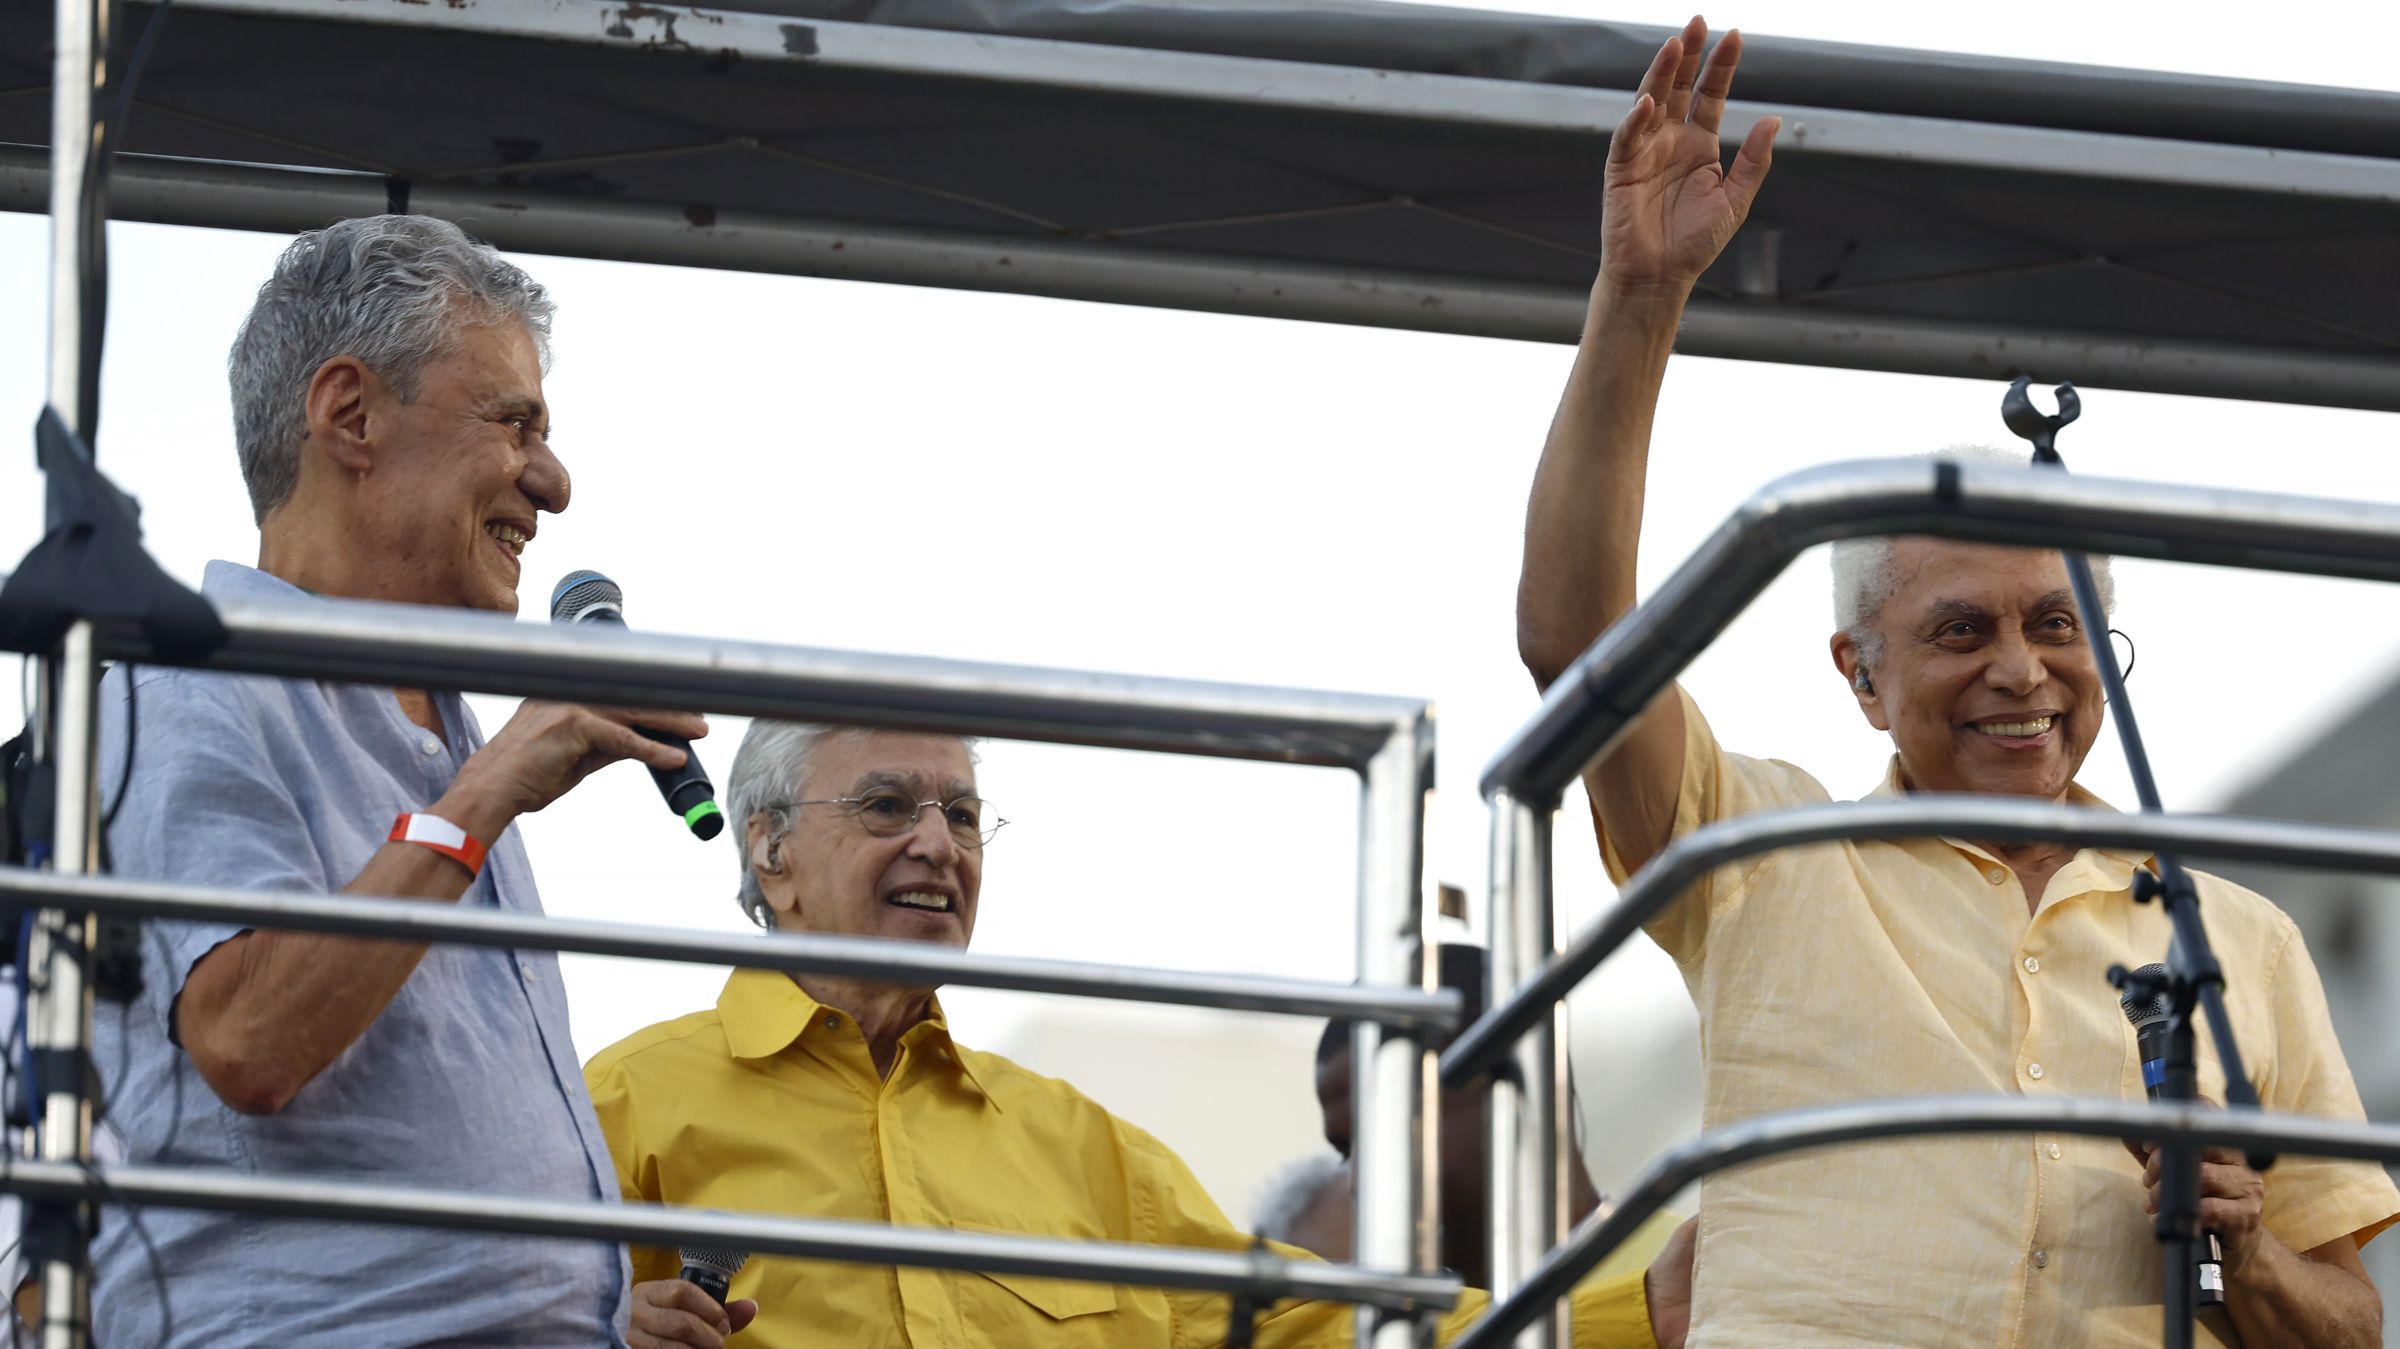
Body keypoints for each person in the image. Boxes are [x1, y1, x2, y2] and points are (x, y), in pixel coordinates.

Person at [1518, 17, 2399, 1347]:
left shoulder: (2242, 939)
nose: (2020, 666)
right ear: (1861, 675)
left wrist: (2248, 1248)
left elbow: (2349, 1324)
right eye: (1959, 629)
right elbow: (1577, 642)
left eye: (2055, 622)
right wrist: (1639, 297)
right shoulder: (1763, 853)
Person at [91, 214, 731, 1347]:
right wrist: (485, 795)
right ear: (350, 414)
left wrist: (592, 1310)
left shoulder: (450, 726)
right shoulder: (186, 680)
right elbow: (246, 1036)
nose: (555, 481)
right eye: (513, 422)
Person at [586, 721, 1680, 1348]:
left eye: (961, 814)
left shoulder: (1081, 1146)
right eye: (886, 806)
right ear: (770, 852)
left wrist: (1638, 1317)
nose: (938, 844)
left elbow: (1317, 1328)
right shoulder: (625, 1103)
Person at [1306, 944, 1684, 1289]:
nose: (1355, 1183)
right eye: (1345, 1152)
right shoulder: (1411, 1321)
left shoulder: (1692, 1287)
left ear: (1512, 1080)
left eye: (1385, 1132)